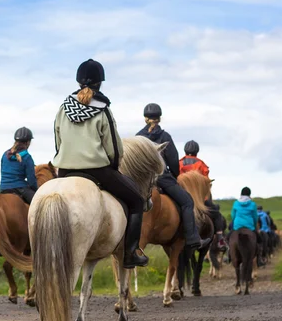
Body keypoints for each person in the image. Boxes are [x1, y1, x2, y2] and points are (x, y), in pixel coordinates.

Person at [53, 59, 149, 268]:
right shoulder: (103, 109)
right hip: (98, 170)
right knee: (136, 201)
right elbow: (114, 147)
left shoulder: (63, 108)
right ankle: (131, 253)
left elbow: (57, 140)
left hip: (65, 170)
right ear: (100, 83)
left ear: (78, 81)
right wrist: (114, 167)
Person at [137, 104, 211, 253]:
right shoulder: (165, 137)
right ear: (159, 118)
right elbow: (173, 162)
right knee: (187, 202)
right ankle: (192, 239)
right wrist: (175, 176)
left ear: (145, 118)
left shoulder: (139, 137)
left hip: (142, 179)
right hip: (162, 178)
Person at [177, 140, 225, 250]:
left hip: (181, 195)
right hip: (198, 198)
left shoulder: (179, 163)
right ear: (197, 151)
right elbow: (206, 183)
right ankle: (220, 240)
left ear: (185, 150)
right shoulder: (201, 164)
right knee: (216, 214)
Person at [0, 127, 37, 204]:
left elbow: (3, 172)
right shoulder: (27, 157)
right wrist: (36, 190)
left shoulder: (5, 155)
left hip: (3, 188)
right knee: (38, 203)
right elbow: (31, 180)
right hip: (20, 189)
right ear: (28, 142)